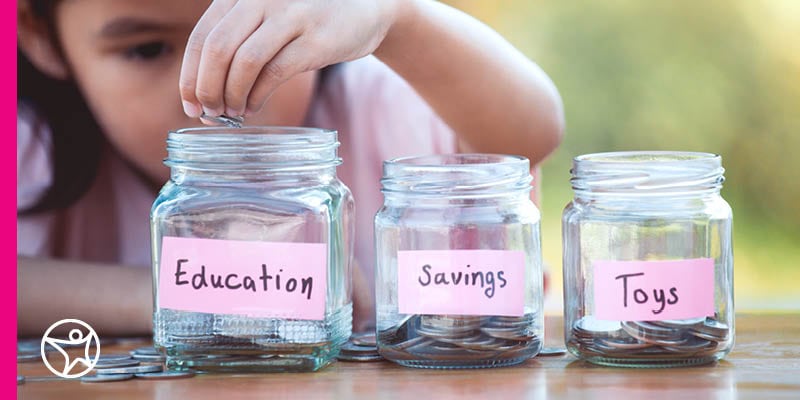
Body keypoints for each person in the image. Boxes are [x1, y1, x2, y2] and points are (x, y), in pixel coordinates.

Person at [17, 0, 564, 337]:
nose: (213, 92)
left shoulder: (383, 102)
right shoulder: (30, 141)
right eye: (147, 49)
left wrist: (397, 16)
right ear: (39, 35)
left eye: (267, 40)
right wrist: (212, 292)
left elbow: (529, 134)